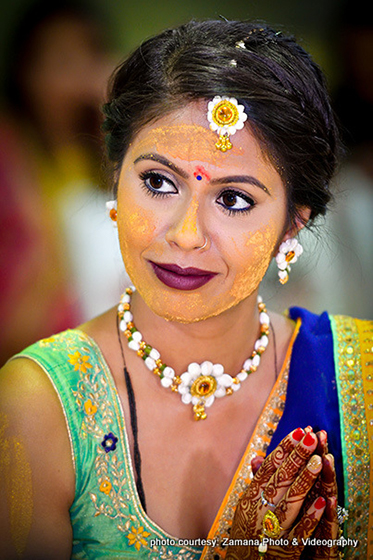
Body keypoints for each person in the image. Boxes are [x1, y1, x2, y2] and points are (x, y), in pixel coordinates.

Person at [0, 19, 371, 560]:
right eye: (157, 182)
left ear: (292, 224)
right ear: (114, 178)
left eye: (235, 199)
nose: (185, 234)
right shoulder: (35, 407)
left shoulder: (357, 380)